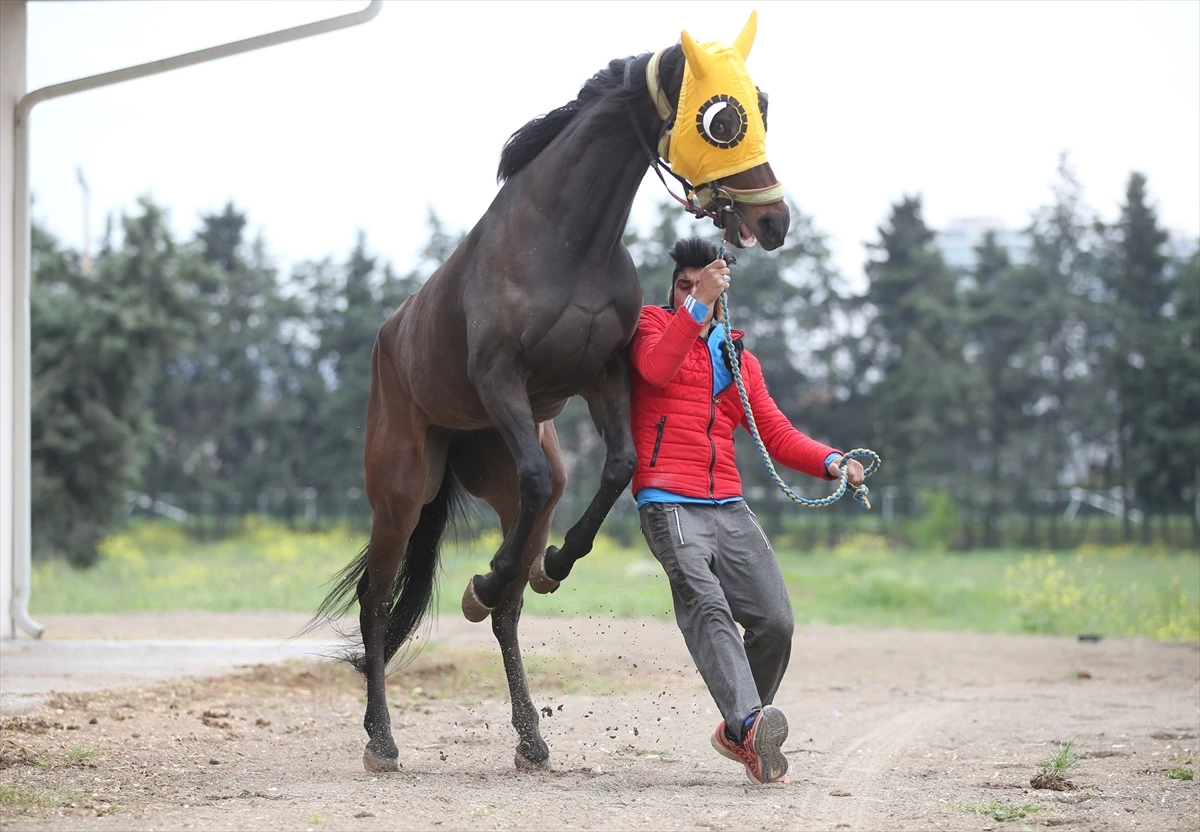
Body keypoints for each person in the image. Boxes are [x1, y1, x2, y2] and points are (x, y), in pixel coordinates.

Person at [628, 237, 865, 785]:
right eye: (683, 285)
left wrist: (833, 461)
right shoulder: (649, 327)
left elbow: (776, 433)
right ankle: (750, 721)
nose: (691, 292)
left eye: (702, 284)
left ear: (725, 290)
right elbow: (657, 372)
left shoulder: (738, 358)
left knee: (775, 621)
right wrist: (697, 304)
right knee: (707, 607)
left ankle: (742, 731)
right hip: (668, 501)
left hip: (727, 503)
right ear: (674, 288)